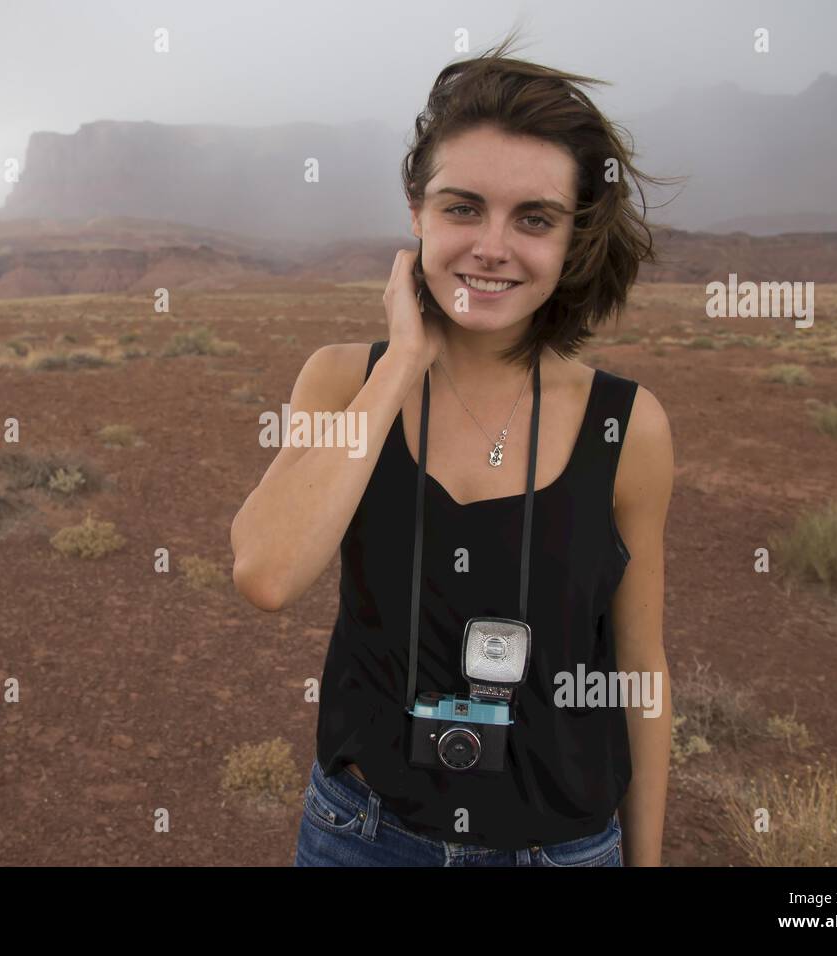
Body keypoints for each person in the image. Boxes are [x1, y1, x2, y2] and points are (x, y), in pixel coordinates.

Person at [230, 32, 677, 866]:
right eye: (461, 207)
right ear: (417, 212)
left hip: (565, 849)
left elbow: (639, 670)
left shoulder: (628, 426)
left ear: (574, 236)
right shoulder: (341, 381)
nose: (491, 246)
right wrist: (401, 363)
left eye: (533, 219)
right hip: (361, 837)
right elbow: (265, 572)